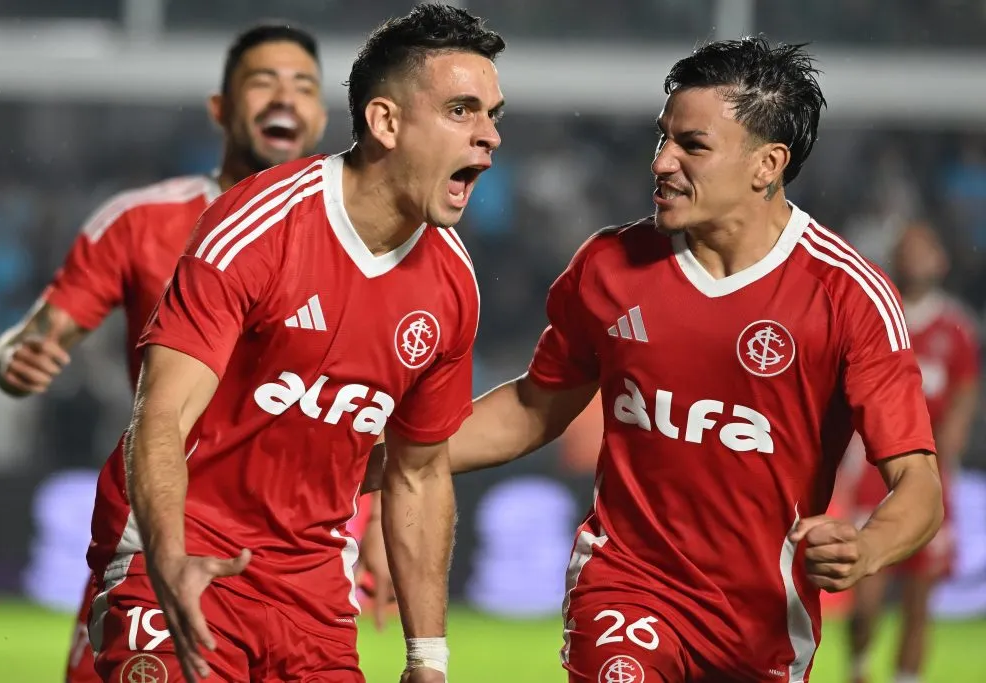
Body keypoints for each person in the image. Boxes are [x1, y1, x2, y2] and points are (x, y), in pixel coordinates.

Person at [365, 37, 945, 683]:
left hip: (763, 618)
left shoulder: (846, 294)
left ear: (767, 165)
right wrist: (378, 460)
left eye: (692, 145)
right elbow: (533, 407)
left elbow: (918, 486)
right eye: (662, 138)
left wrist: (867, 547)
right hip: (628, 587)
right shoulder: (611, 266)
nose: (662, 161)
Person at [85, 5, 504, 683]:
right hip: (189, 552)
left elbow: (419, 471)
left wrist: (428, 656)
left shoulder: (453, 284)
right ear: (386, 122)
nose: (489, 136)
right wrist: (168, 558)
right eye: (463, 110)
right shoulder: (258, 225)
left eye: (493, 114)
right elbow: (159, 418)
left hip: (311, 594)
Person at [0, 21, 329, 682]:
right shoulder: (141, 220)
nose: (284, 97)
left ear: (319, 115)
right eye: (263, 82)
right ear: (220, 108)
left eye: (303, 86)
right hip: (156, 521)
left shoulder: (351, 242)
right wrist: (16, 357)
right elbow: (41, 330)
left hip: (292, 542)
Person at [842, 222, 980, 683]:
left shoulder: (955, 328)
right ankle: (859, 666)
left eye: (926, 249)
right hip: (872, 469)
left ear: (940, 261)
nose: (917, 258)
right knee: (866, 591)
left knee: (920, 596)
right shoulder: (880, 315)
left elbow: (963, 393)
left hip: (931, 472)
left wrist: (950, 449)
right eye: (909, 249)